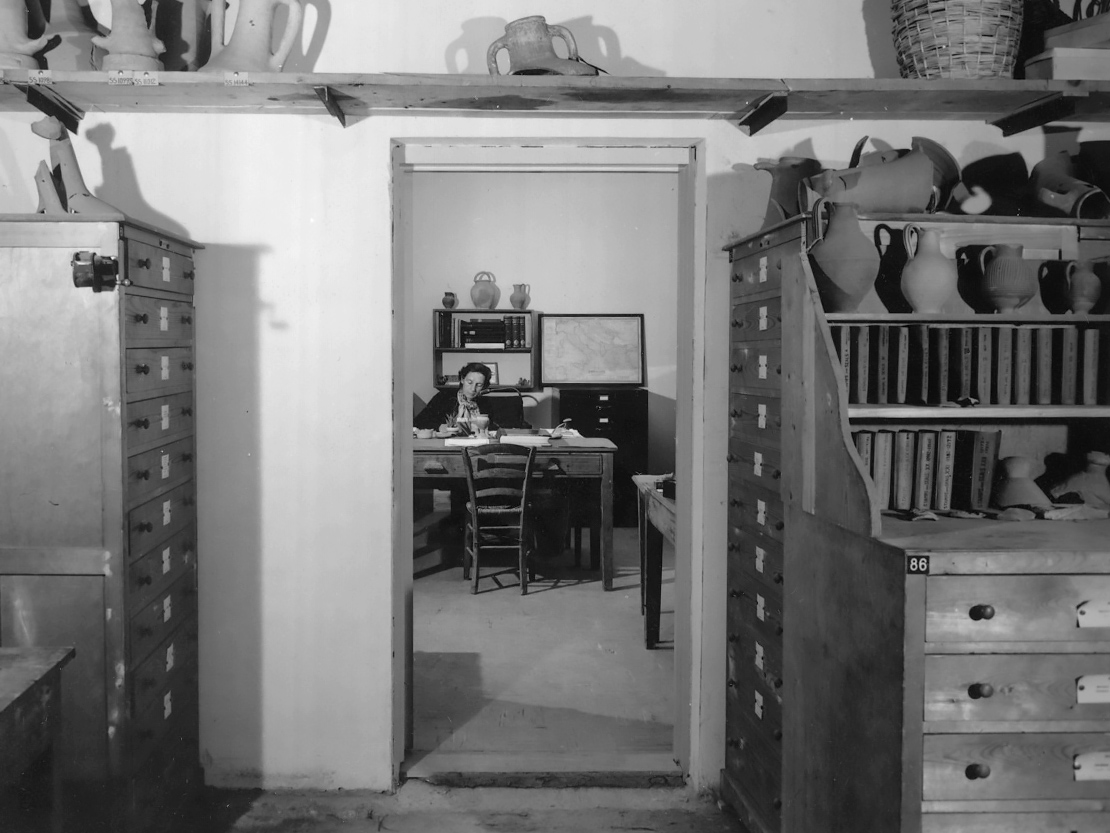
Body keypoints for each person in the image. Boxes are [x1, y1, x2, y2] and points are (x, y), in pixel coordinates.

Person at [414, 362, 498, 434]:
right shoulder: (443, 397)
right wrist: (440, 427)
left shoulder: (485, 403)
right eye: (469, 382)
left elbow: (494, 428)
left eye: (479, 385)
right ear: (462, 379)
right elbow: (419, 421)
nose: (473, 389)